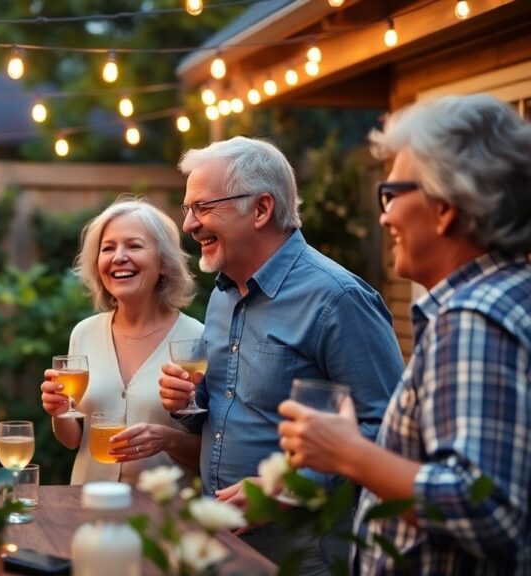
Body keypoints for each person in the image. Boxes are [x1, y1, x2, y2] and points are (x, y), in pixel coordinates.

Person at [278, 94, 531, 575]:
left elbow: (489, 512)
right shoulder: (510, 297)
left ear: (444, 206)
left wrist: (350, 454)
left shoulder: (472, 318)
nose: (384, 216)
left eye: (391, 194)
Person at [159, 137, 404, 573]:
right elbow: (221, 407)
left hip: (305, 551)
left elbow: (387, 429)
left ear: (261, 209)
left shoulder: (338, 298)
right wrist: (188, 404)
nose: (189, 225)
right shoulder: (222, 295)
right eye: (187, 210)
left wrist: (286, 487)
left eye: (202, 207)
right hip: (220, 541)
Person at [40, 197, 204, 484]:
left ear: (164, 263)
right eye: (108, 248)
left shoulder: (198, 340)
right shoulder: (84, 333)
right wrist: (58, 411)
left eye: (134, 245)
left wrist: (168, 440)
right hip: (91, 508)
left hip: (165, 517)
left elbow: (216, 453)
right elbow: (73, 440)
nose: (118, 257)